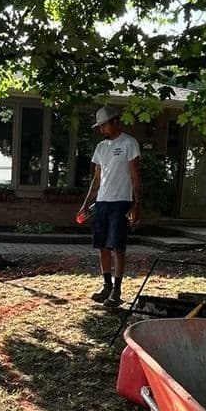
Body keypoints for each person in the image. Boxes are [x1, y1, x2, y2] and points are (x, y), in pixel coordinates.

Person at [78, 104, 142, 306]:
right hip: (102, 203)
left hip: (121, 202)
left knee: (118, 247)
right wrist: (85, 204)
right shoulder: (100, 148)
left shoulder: (129, 143)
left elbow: (135, 175)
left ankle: (117, 290)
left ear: (115, 121)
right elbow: (96, 180)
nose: (101, 130)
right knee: (102, 246)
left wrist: (137, 204)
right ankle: (106, 285)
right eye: (99, 126)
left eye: (104, 125)